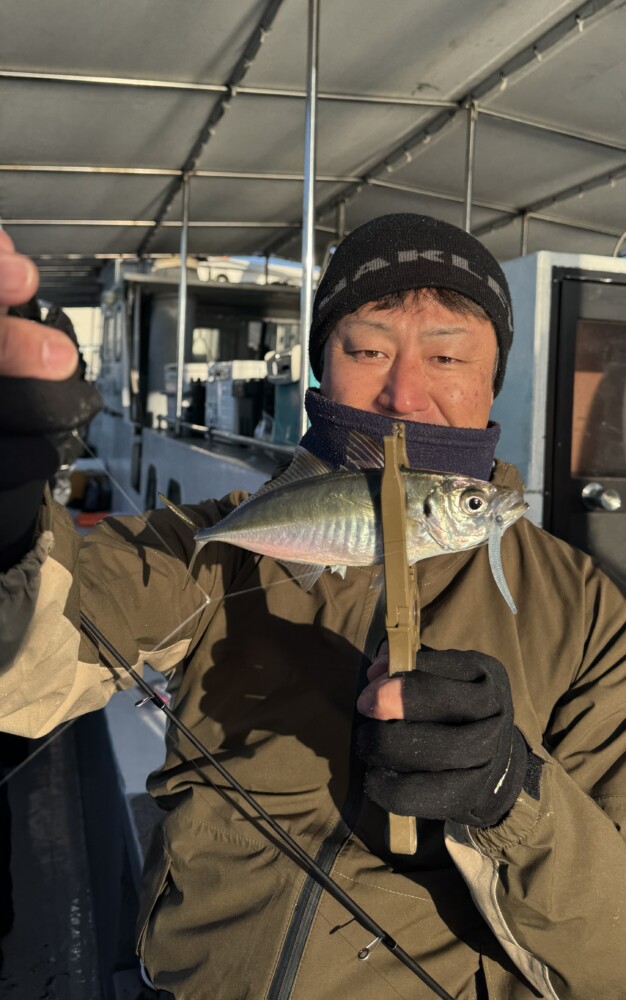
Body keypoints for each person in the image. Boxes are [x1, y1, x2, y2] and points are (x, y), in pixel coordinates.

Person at [0, 216, 624, 1000]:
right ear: (321, 373)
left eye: (448, 355)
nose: (403, 393)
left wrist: (514, 795)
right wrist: (10, 519)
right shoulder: (213, 542)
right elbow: (28, 657)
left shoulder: (590, 612)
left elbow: (614, 957)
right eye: (367, 350)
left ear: (493, 379)